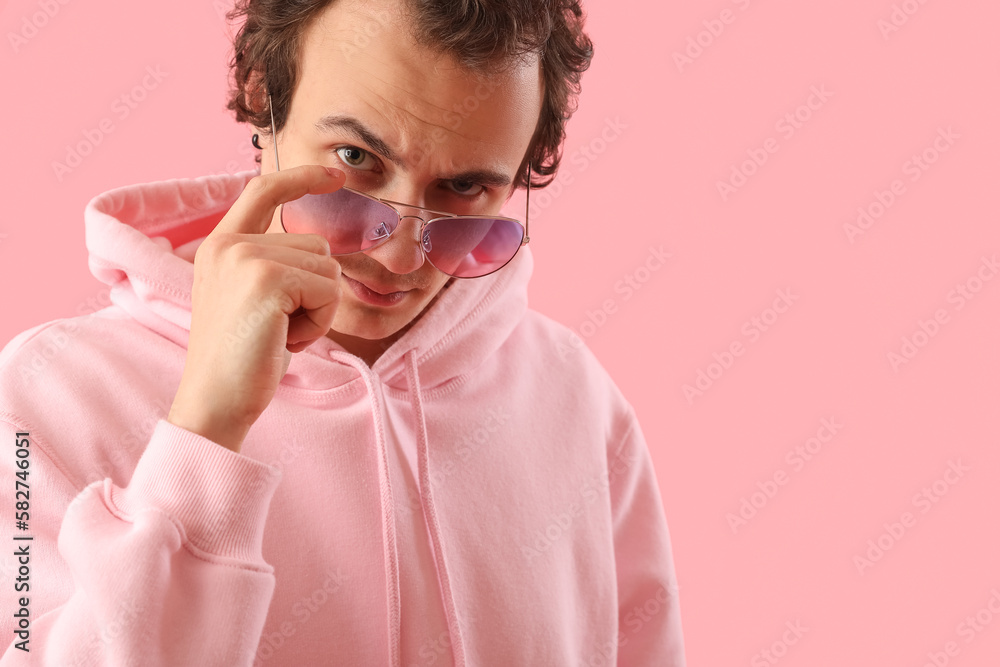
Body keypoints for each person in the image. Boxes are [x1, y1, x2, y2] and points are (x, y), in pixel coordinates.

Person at [0, 0, 686, 664]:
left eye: (467, 188)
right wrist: (204, 431)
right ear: (261, 92)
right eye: (356, 160)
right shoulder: (44, 399)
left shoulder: (576, 399)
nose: (398, 256)